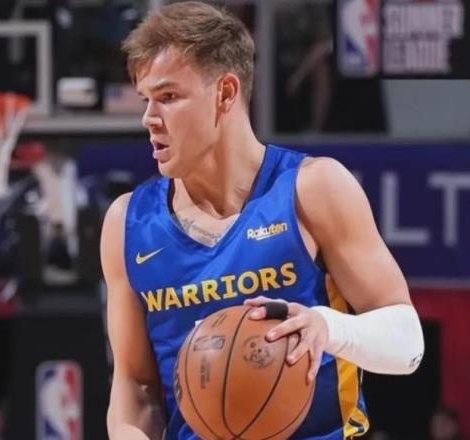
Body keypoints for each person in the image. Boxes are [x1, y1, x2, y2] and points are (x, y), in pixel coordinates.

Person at [100, 2, 425, 439]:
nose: (149, 119)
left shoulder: (313, 188)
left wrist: (327, 326)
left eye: (168, 97)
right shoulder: (127, 222)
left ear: (226, 93)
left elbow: (408, 345)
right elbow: (135, 385)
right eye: (146, 100)